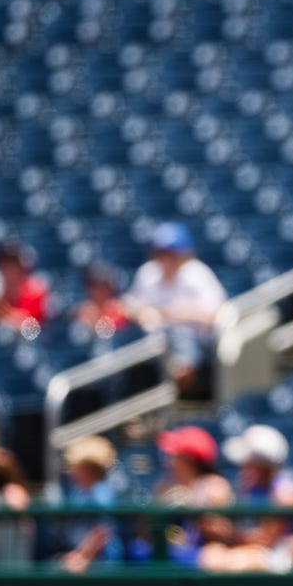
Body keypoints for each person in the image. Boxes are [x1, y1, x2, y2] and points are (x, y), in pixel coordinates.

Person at [122, 222, 227, 394]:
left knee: (182, 339)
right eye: (160, 253)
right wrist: (142, 313)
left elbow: (219, 313)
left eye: (170, 253)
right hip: (155, 338)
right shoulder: (148, 274)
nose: (165, 259)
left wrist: (183, 313)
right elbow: (128, 305)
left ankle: (180, 388)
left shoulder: (197, 274)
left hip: (195, 341)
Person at [198, 424, 293, 573]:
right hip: (254, 550)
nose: (243, 467)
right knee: (211, 554)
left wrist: (228, 532)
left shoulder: (285, 491)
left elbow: (265, 541)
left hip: (280, 554)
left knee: (222, 559)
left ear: (260, 464)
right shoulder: (250, 484)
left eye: (248, 462)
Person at [154, 425, 236, 566]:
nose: (169, 461)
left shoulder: (214, 486)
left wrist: (192, 508)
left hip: (205, 556)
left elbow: (220, 533)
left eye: (174, 455)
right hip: (181, 553)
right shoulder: (168, 485)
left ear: (189, 460)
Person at [58, 435, 123, 573]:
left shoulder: (102, 493)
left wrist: (82, 556)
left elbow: (101, 531)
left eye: (75, 466)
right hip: (83, 559)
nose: (71, 470)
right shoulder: (78, 492)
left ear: (88, 468)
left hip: (101, 563)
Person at [0, 241, 49, 330]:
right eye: (3, 266)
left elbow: (29, 326)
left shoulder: (35, 290)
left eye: (12, 266)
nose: (7, 272)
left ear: (23, 268)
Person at [73, 261, 129, 337]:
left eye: (104, 286)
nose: (101, 291)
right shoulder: (84, 310)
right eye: (95, 286)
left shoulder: (120, 306)